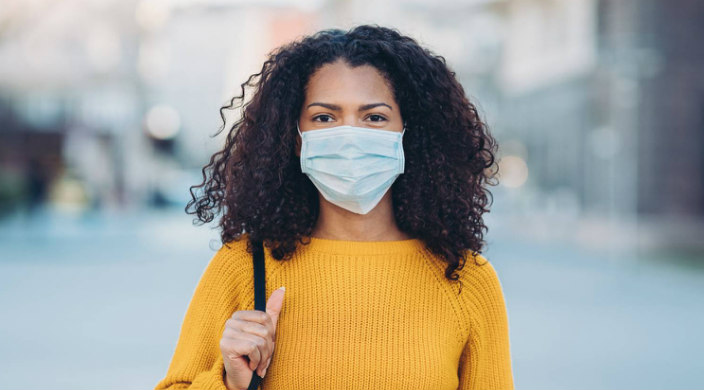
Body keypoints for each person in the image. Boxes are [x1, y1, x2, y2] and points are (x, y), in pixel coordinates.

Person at [154, 24, 514, 390]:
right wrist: (230, 384)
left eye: (374, 117)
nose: (349, 136)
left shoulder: (466, 280)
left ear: (410, 135)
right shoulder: (243, 266)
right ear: (295, 139)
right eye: (324, 117)